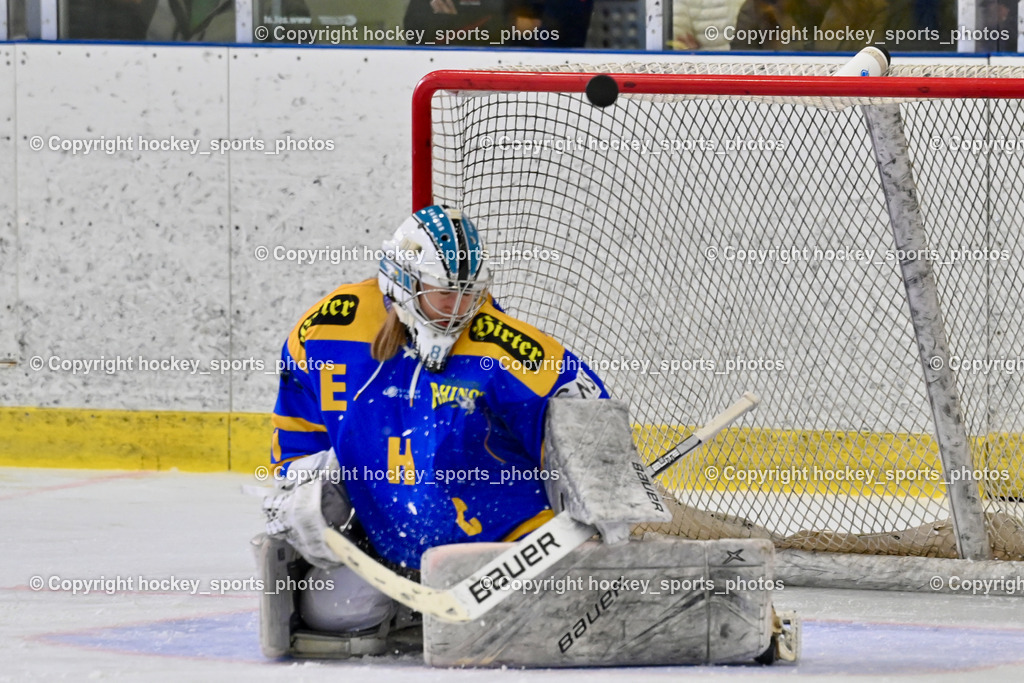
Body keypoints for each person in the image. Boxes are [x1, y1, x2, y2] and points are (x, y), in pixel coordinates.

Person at [259, 205, 607, 653]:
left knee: (519, 632)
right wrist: (299, 483)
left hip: (505, 549)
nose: (459, 309)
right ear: (403, 281)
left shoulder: (507, 350)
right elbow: (298, 419)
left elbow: (592, 426)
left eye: (469, 293)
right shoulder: (330, 328)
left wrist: (602, 492)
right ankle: (413, 604)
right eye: (444, 293)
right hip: (389, 548)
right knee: (334, 614)